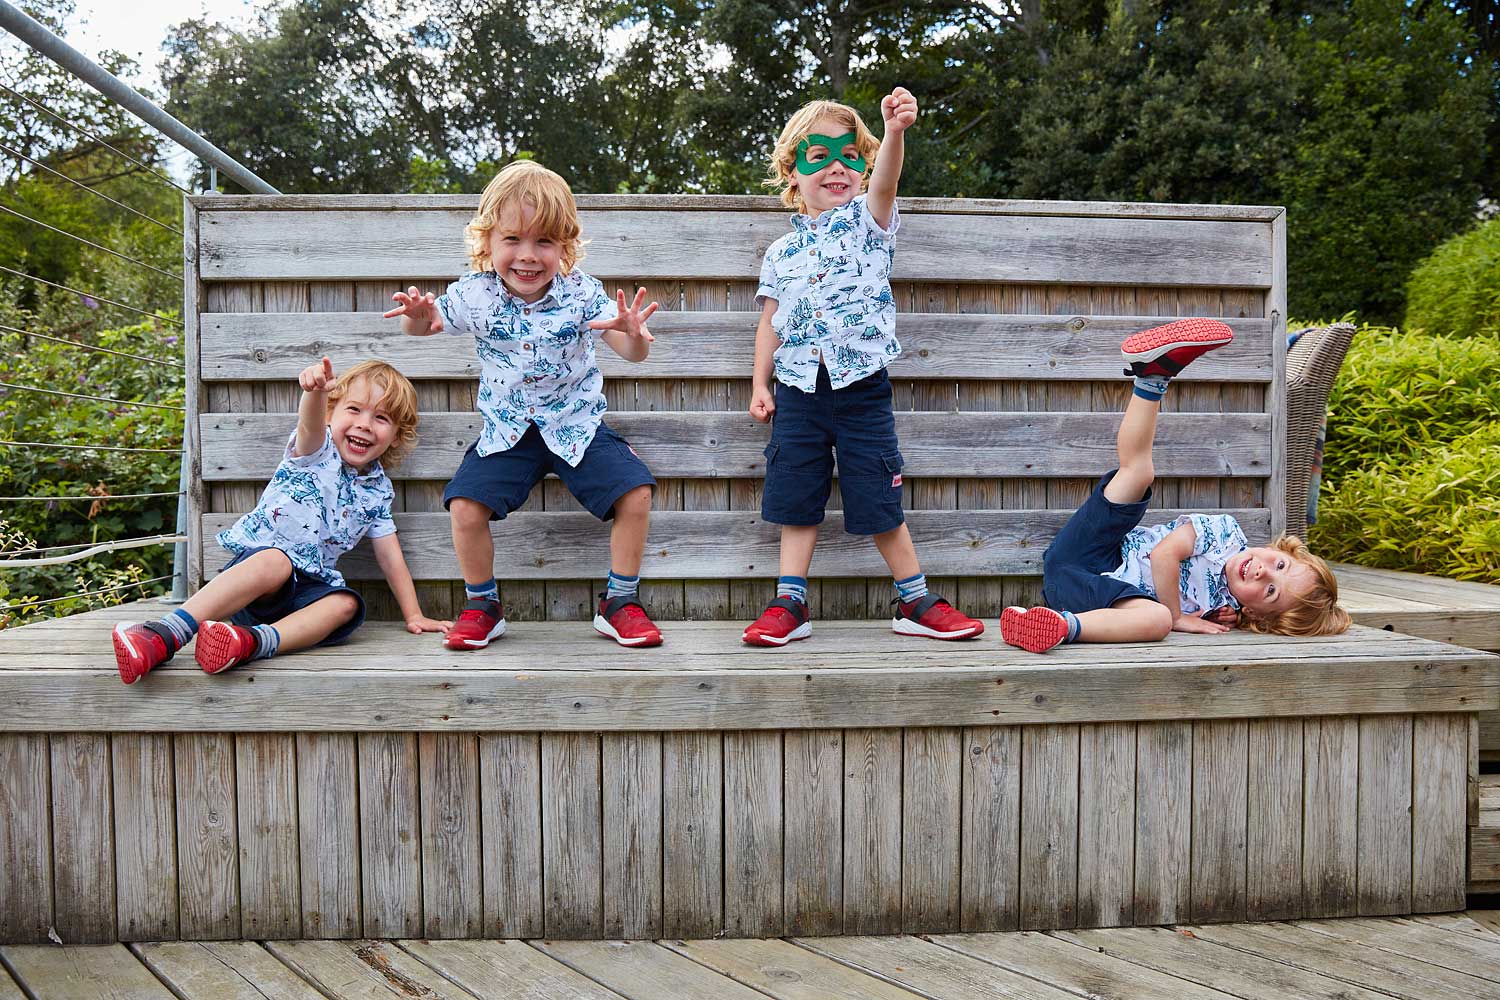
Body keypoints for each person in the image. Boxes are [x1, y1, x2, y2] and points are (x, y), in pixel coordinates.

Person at [742, 88, 986, 647]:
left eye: (850, 155)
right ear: (792, 170)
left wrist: (894, 133)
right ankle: (789, 602)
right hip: (799, 389)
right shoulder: (780, 253)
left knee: (878, 493)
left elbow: (888, 181)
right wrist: (760, 383)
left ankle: (915, 599)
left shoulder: (867, 222)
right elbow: (770, 322)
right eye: (819, 155)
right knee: (797, 496)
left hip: (861, 387)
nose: (836, 166)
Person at [384, 160, 663, 649]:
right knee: (465, 505)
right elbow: (425, 326)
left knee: (635, 493)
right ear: (487, 241)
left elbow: (631, 352)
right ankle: (482, 606)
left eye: (544, 242)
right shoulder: (474, 294)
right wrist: (417, 315)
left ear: (565, 247)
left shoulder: (582, 293)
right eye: (513, 240)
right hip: (509, 430)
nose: (528, 256)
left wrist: (632, 333)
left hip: (575, 424)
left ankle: (621, 601)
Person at [999, 318, 1351, 653]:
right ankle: (1152, 377)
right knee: (1138, 474)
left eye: (1271, 591)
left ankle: (1055, 627)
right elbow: (1163, 554)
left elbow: (1181, 609)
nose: (1262, 572)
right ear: (1285, 551)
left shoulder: (1223, 608)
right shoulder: (1225, 534)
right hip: (1091, 551)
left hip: (1097, 598)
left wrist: (1210, 614)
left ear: (1257, 614)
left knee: (1155, 619)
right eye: (1280, 566)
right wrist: (1179, 616)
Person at [112, 358, 450, 683]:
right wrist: (316, 393)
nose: (364, 423)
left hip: (306, 597)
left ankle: (248, 643)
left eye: (382, 418)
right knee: (276, 561)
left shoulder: (378, 492)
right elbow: (310, 423)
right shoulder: (316, 451)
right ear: (331, 413)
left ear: (395, 435)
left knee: (345, 603)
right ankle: (164, 634)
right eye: (354, 409)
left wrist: (414, 615)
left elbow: (390, 557)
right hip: (259, 583)